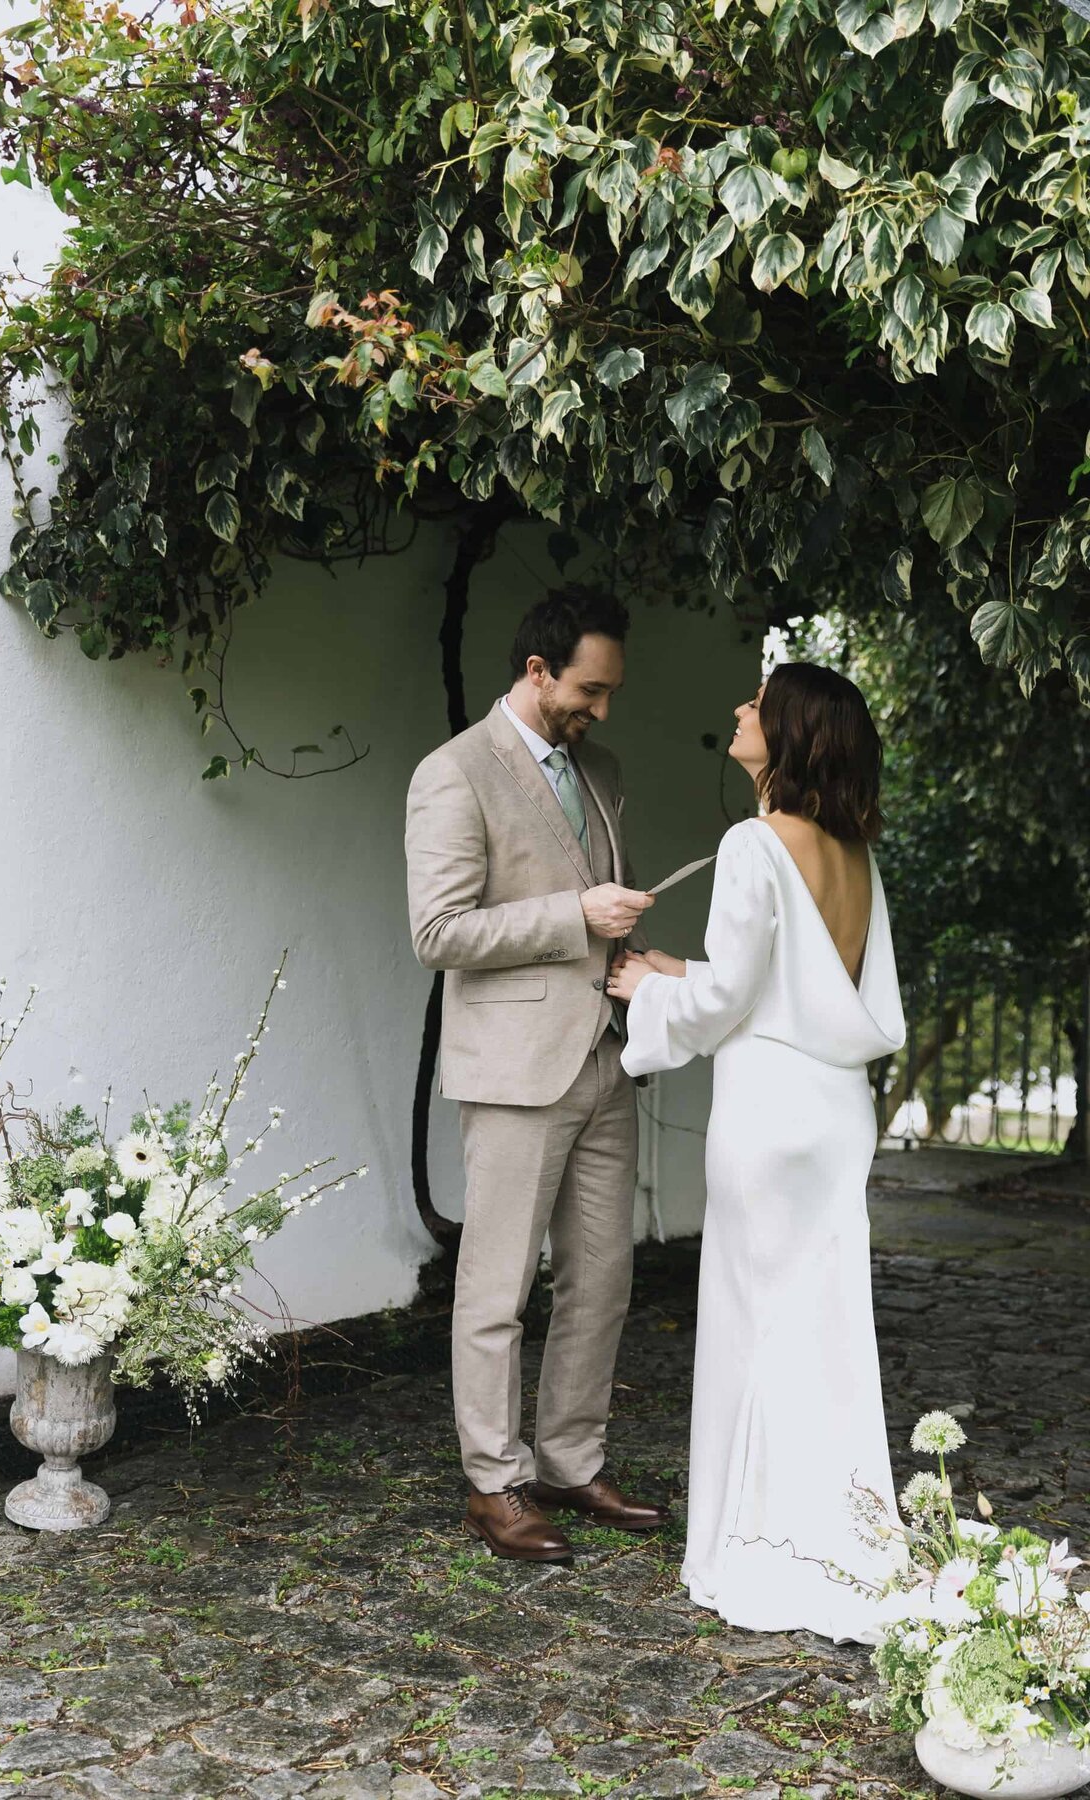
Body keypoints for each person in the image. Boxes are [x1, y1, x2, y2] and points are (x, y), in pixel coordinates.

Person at [607, 662, 906, 1642]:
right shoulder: (852, 853)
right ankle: (837, 1528)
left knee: (750, 1323)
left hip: (770, 1118)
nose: (739, 709)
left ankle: (755, 1546)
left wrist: (646, 993)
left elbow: (730, 1003)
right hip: (834, 1114)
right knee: (821, 1328)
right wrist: (677, 970)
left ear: (789, 733)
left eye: (757, 701)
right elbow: (789, 985)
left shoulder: (753, 842)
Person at [405, 587, 668, 1562]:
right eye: (589, 691)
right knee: (498, 1287)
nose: (601, 710)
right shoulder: (454, 773)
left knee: (603, 1278)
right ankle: (495, 1483)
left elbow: (610, 913)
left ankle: (569, 1461)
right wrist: (574, 916)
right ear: (536, 670)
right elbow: (438, 934)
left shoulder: (597, 769)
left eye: (608, 693)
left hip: (606, 1056)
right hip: (516, 1071)